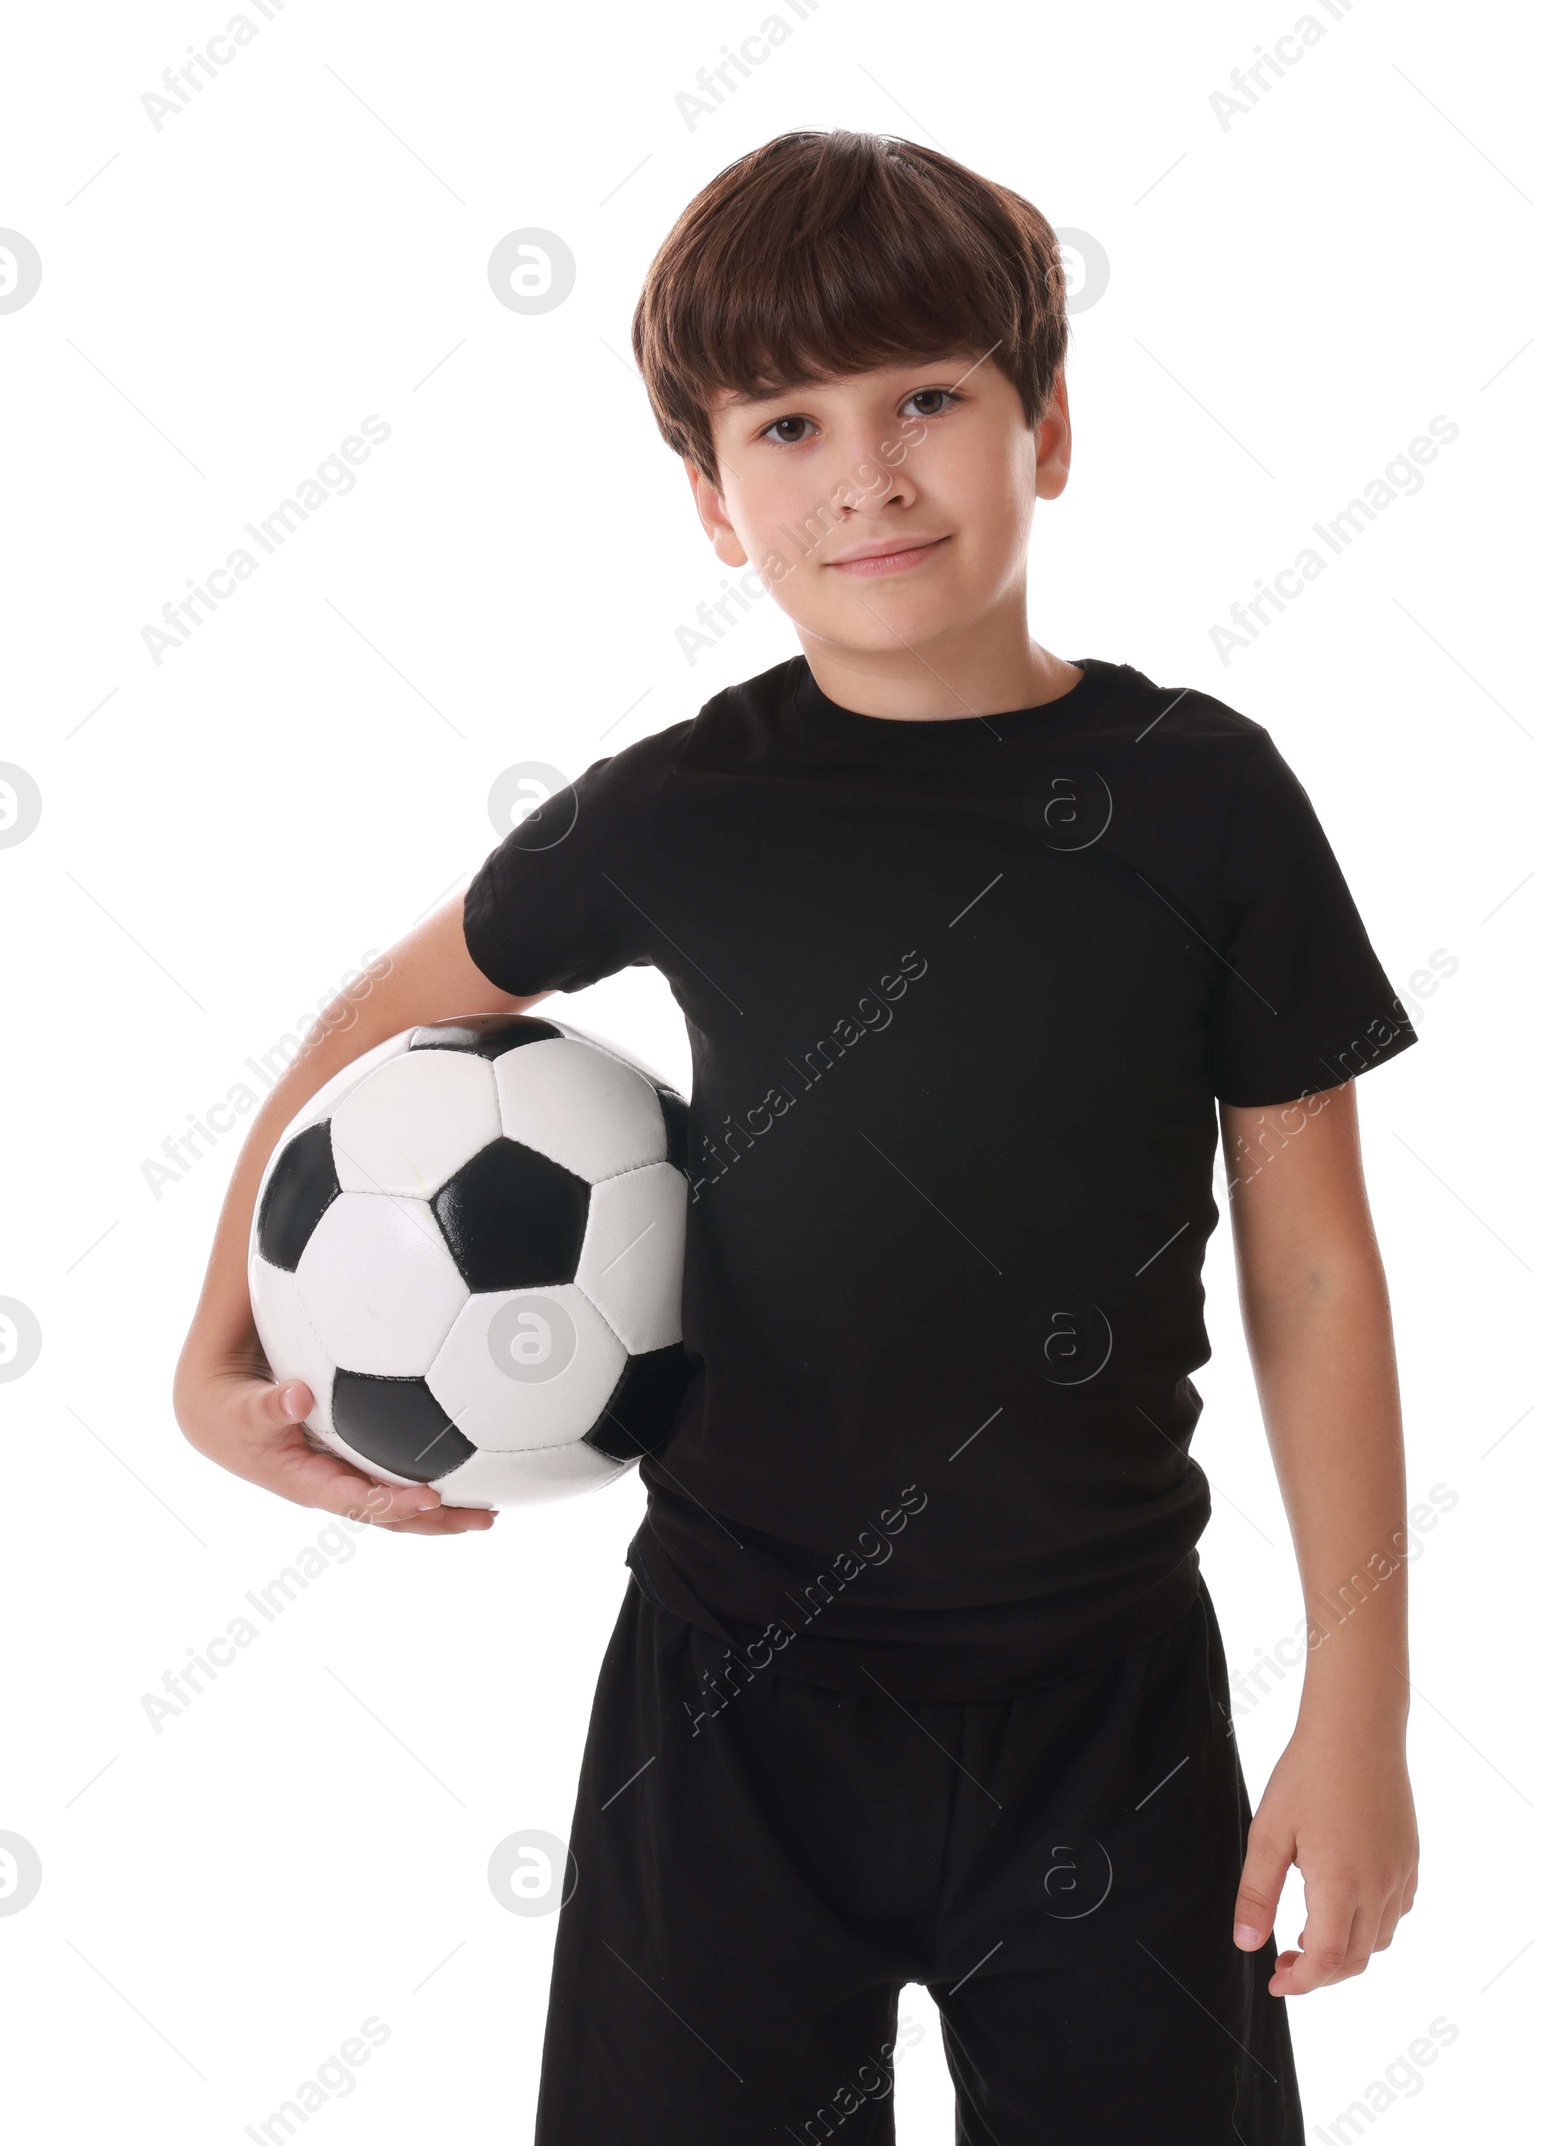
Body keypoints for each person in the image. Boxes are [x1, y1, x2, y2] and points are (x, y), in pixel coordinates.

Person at [175, 130, 1421, 2145]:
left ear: (1051, 425)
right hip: (731, 1696)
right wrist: (210, 1342)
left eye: (926, 393)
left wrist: (1351, 1712)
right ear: (709, 497)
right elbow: (366, 1024)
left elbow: (1310, 1261)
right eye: (786, 421)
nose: (865, 470)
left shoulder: (1204, 801)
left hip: (1106, 1698)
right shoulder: (679, 812)